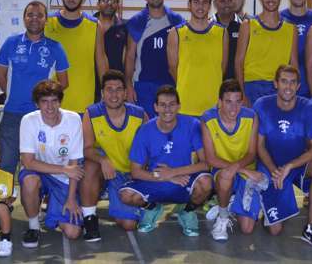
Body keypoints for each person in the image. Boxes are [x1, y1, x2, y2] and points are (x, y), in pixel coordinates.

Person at [119, 86, 212, 237]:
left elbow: (206, 163)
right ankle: (152, 207)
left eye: (172, 104)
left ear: (179, 106)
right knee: (126, 195)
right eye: (162, 105)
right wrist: (166, 176)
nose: (167, 109)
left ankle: (187, 210)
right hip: (157, 181)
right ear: (155, 107)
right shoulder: (144, 130)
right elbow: (135, 171)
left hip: (184, 180)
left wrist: (174, 172)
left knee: (206, 183)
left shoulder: (192, 125)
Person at [255, 65, 312, 249]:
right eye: (284, 81)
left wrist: (289, 166)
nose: (288, 86)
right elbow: (259, 146)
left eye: (292, 82)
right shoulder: (262, 105)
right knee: (275, 230)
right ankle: (269, 205)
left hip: (297, 166)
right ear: (276, 83)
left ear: (298, 86)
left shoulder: (308, 107)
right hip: (270, 167)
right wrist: (274, 170)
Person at [0, 1, 69, 174]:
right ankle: (5, 200)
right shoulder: (11, 43)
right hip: (13, 112)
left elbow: (64, 82)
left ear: (46, 20)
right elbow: (0, 75)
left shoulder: (55, 47)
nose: (34, 19)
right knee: (7, 161)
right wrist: (12, 95)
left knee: (39, 162)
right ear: (24, 18)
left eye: (39, 15)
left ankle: (38, 197)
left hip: (42, 116)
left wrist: (45, 101)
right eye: (30, 15)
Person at [80, 70, 148, 241]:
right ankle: (89, 218)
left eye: (118, 89)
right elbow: (86, 148)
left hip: (129, 174)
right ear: (102, 93)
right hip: (104, 171)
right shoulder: (92, 113)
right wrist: (103, 159)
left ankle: (122, 199)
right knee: (90, 164)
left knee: (128, 225)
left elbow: (150, 150)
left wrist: (141, 174)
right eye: (109, 89)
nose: (114, 94)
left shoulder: (139, 115)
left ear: (126, 93)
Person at [19, 80, 84, 246]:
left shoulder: (74, 119)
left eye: (54, 101)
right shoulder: (28, 120)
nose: (49, 107)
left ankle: (52, 207)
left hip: (63, 178)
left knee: (73, 233)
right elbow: (28, 162)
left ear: (60, 102)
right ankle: (34, 226)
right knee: (29, 181)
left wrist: (71, 199)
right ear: (37, 104)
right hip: (39, 172)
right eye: (44, 102)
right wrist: (64, 169)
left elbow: (74, 165)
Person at [201, 79, 262, 240]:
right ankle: (222, 218)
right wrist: (242, 170)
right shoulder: (207, 119)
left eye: (237, 102)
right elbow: (211, 159)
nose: (233, 108)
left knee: (248, 228)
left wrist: (241, 170)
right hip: (224, 172)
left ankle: (227, 202)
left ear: (242, 102)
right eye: (228, 102)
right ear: (219, 101)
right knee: (227, 175)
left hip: (246, 174)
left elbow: (251, 154)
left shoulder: (251, 117)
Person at [125, 0, 184, 117]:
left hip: (171, 83)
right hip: (144, 85)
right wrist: (128, 85)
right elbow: (130, 56)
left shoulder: (176, 20)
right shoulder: (136, 22)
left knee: (170, 127)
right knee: (146, 126)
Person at [235, 0, 299, 105]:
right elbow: (238, 62)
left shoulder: (291, 29)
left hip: (279, 87)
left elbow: (294, 65)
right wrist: (242, 93)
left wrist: (292, 91)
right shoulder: (248, 25)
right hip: (252, 87)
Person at [167, 0, 227, 117]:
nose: (200, 6)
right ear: (189, 5)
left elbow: (223, 67)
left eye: (205, 2)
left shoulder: (222, 32)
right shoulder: (176, 32)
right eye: (196, 2)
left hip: (213, 105)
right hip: (185, 104)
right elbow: (173, 68)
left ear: (210, 6)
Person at [45, 0, 98, 114]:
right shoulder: (46, 23)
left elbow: (102, 61)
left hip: (83, 104)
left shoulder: (95, 25)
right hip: (50, 104)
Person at [95, 0, 128, 78]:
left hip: (116, 84)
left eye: (112, 1)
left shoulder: (126, 27)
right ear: (98, 4)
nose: (109, 4)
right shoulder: (88, 25)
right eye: (105, 0)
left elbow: (129, 58)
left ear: (117, 5)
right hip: (90, 82)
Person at [212, 0, 242, 80]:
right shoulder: (207, 27)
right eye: (222, 1)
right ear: (215, 4)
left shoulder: (244, 27)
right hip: (212, 83)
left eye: (230, 0)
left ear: (235, 2)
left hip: (236, 86)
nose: (226, 4)